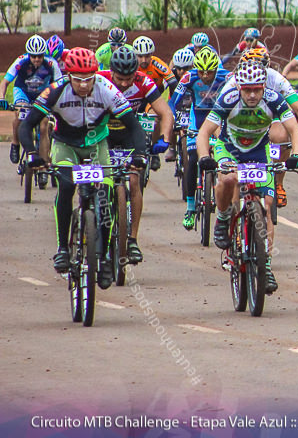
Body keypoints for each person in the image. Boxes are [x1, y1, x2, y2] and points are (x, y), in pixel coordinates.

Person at [20, 47, 147, 288]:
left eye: (89, 79)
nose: (84, 85)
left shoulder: (106, 88)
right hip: (65, 144)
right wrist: (33, 153)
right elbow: (27, 125)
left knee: (107, 193)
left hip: (97, 144)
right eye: (78, 80)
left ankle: (105, 257)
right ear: (68, 76)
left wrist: (139, 155)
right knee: (66, 186)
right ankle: (62, 249)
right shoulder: (56, 89)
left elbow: (134, 125)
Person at [197, 61, 298, 294]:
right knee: (227, 180)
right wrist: (205, 157)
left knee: (266, 205)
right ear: (239, 88)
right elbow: (204, 132)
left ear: (264, 85)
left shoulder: (274, 99)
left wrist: (296, 154)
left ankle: (265, 264)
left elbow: (295, 129)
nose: (253, 94)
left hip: (259, 152)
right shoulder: (227, 99)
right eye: (247, 89)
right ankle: (224, 217)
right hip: (229, 149)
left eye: (257, 88)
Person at [98, 45, 173, 264]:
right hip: (105, 135)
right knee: (102, 180)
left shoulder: (143, 81)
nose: (123, 83)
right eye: (119, 78)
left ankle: (132, 239)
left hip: (131, 134)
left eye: (128, 78)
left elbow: (165, 112)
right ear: (111, 72)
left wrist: (165, 139)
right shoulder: (100, 80)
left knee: (134, 180)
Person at [168, 46, 231, 230]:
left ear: (215, 69)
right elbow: (174, 102)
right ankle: (189, 207)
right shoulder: (189, 77)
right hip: (197, 119)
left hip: (218, 119)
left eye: (209, 72)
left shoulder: (226, 77)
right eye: (201, 72)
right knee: (193, 159)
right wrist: (177, 120)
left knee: (222, 156)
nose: (205, 76)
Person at [254, 44, 298, 207]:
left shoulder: (276, 79)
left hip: (271, 115)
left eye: (261, 69)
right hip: (246, 119)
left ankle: (278, 183)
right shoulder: (236, 80)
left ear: (268, 67)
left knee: (281, 136)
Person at [0, 35, 63, 165]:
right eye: (33, 56)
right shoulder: (20, 61)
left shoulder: (51, 64)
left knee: (44, 124)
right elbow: (5, 82)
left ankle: (45, 163)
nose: (36, 59)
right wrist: (2, 98)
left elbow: (59, 85)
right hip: (23, 91)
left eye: (39, 56)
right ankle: (15, 143)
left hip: (42, 95)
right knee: (20, 114)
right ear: (28, 54)